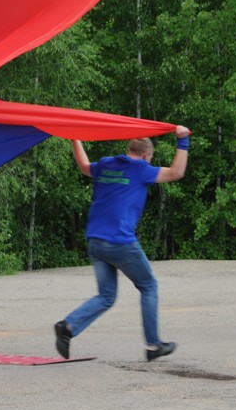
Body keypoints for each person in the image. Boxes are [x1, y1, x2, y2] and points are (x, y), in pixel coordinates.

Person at [54, 127, 191, 364]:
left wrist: (76, 137)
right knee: (148, 286)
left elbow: (85, 167)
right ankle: (153, 345)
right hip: (119, 242)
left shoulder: (107, 164)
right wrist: (183, 141)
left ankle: (67, 326)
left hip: (95, 241)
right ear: (148, 156)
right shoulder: (140, 169)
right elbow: (177, 172)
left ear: (129, 149)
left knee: (106, 296)